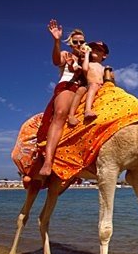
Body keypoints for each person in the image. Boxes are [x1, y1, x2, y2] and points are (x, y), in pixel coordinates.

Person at [37, 19, 88, 177]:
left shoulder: (87, 57)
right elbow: (55, 61)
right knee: (60, 114)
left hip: (84, 89)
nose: (79, 44)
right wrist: (56, 41)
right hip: (67, 86)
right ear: (71, 43)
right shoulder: (66, 54)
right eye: (76, 41)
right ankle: (48, 162)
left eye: (82, 41)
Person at [81, 41, 109, 119]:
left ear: (104, 56)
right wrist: (86, 54)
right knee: (93, 85)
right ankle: (87, 110)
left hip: (102, 86)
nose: (95, 51)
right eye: (93, 49)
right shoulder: (89, 64)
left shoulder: (104, 68)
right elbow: (85, 69)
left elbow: (109, 80)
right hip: (91, 85)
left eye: (99, 50)